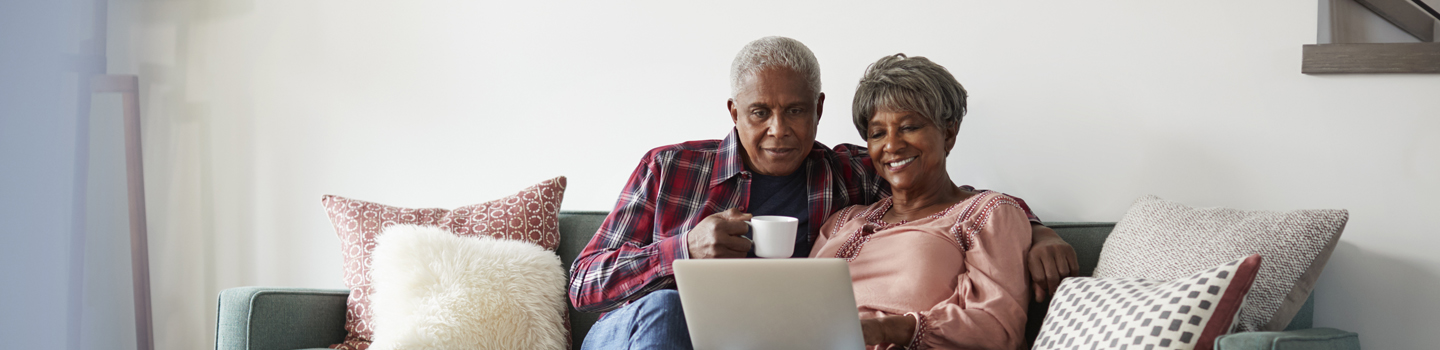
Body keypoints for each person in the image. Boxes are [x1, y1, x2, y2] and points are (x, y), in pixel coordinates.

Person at [568, 37, 1076, 350]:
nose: (779, 131)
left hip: (762, 341)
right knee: (668, 310)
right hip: (638, 333)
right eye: (760, 112)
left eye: (796, 111)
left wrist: (1038, 230)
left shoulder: (846, 175)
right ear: (733, 112)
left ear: (818, 108)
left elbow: (954, 200)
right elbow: (582, 285)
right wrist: (682, 251)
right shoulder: (671, 167)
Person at [810, 53, 1031, 349]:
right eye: (877, 133)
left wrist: (887, 329)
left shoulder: (985, 214)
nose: (891, 145)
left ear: (949, 133)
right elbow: (798, 309)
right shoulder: (843, 221)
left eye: (909, 127)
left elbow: (998, 329)